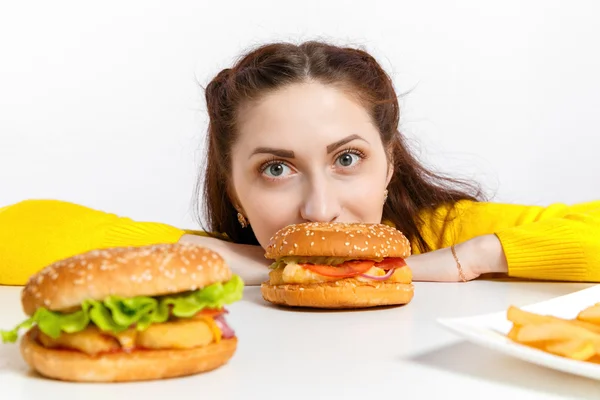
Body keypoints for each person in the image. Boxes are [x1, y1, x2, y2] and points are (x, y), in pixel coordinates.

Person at [1, 41, 599, 287]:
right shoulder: (210, 263)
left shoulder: (442, 234)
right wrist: (253, 264)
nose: (320, 209)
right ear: (232, 188)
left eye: (347, 158)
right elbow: (17, 232)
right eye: (276, 169)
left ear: (389, 164)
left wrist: (466, 262)